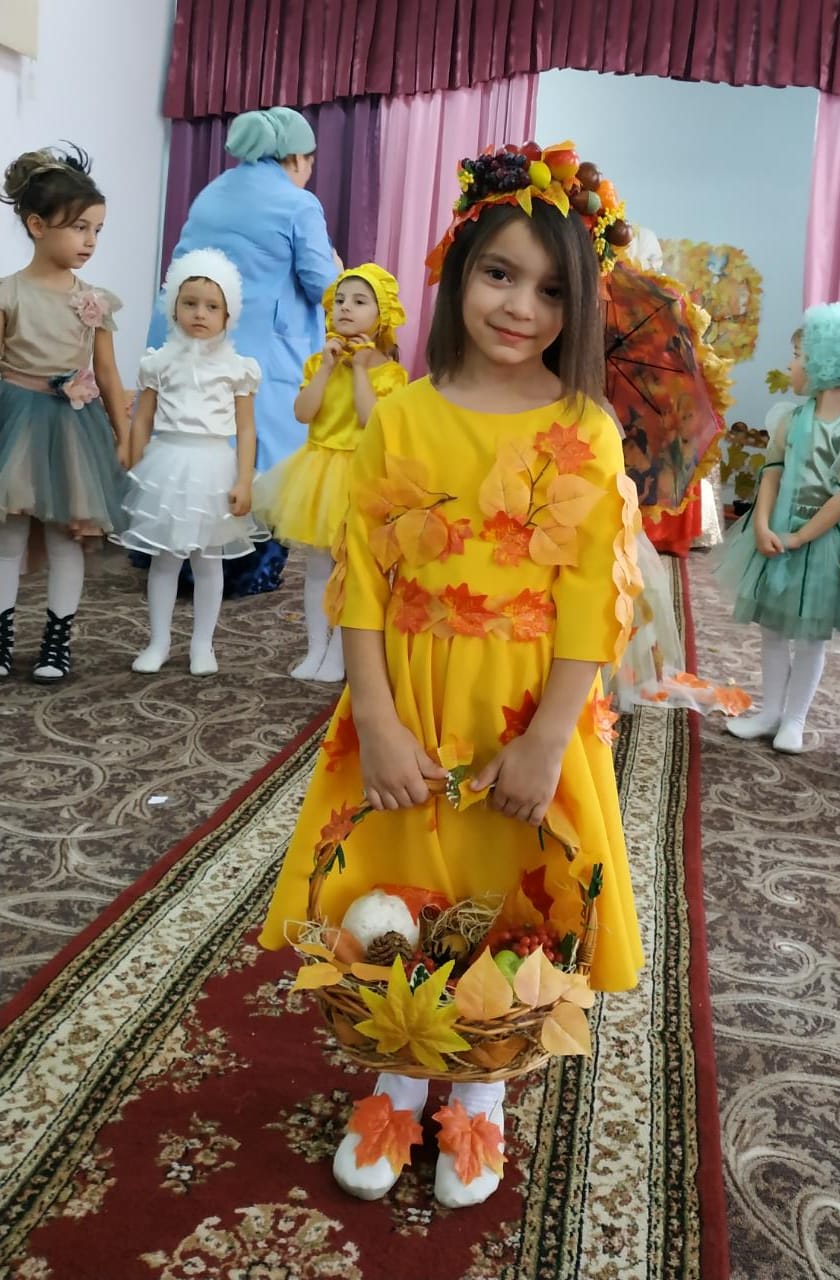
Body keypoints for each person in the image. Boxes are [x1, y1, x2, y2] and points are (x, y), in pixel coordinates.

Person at [258, 142, 643, 1208]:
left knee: (506, 888)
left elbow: (590, 604)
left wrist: (548, 738)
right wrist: (377, 720)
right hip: (407, 690)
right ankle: (396, 1075)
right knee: (394, 888)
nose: (520, 306)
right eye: (500, 274)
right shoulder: (404, 414)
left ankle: (480, 1092)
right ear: (458, 272)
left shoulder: (585, 428)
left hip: (527, 703)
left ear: (581, 304)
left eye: (552, 289)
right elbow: (364, 579)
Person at [148, 106, 340, 596]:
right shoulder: (299, 205)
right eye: (310, 161)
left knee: (201, 445)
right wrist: (340, 267)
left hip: (194, 342)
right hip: (263, 354)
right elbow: (324, 285)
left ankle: (181, 558)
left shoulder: (212, 192)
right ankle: (246, 569)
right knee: (264, 457)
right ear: (295, 158)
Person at [713, 307, 840, 752]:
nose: (790, 365)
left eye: (796, 356)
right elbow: (771, 472)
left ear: (825, 362)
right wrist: (762, 524)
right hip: (777, 531)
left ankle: (795, 720)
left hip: (823, 542)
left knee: (810, 636)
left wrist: (799, 537)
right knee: (772, 628)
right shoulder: (790, 419)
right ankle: (771, 712)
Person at [0, 146, 129, 683]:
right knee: (8, 536)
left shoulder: (94, 300)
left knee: (66, 536)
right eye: (79, 228)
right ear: (37, 225)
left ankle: (58, 641)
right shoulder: (8, 294)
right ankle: (2, 636)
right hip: (15, 422)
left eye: (97, 230)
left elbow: (108, 373)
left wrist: (124, 434)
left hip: (75, 429)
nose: (90, 241)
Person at [113, 249, 263, 675]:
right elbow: (143, 418)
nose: (200, 313)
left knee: (208, 560)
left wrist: (244, 480)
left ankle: (202, 645)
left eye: (212, 307)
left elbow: (246, 429)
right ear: (173, 307)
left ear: (228, 315)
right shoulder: (158, 362)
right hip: (168, 465)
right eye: (190, 303)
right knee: (165, 559)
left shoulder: (238, 369)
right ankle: (158, 641)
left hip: (215, 467)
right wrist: (135, 461)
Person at [253, 264, 407, 681]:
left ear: (382, 315)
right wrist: (325, 367)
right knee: (318, 567)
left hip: (361, 475)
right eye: (339, 300)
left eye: (359, 301)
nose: (345, 308)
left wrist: (359, 369)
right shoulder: (317, 363)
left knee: (351, 569)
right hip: (319, 473)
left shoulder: (391, 374)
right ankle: (315, 648)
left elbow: (370, 422)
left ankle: (340, 653)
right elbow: (303, 413)